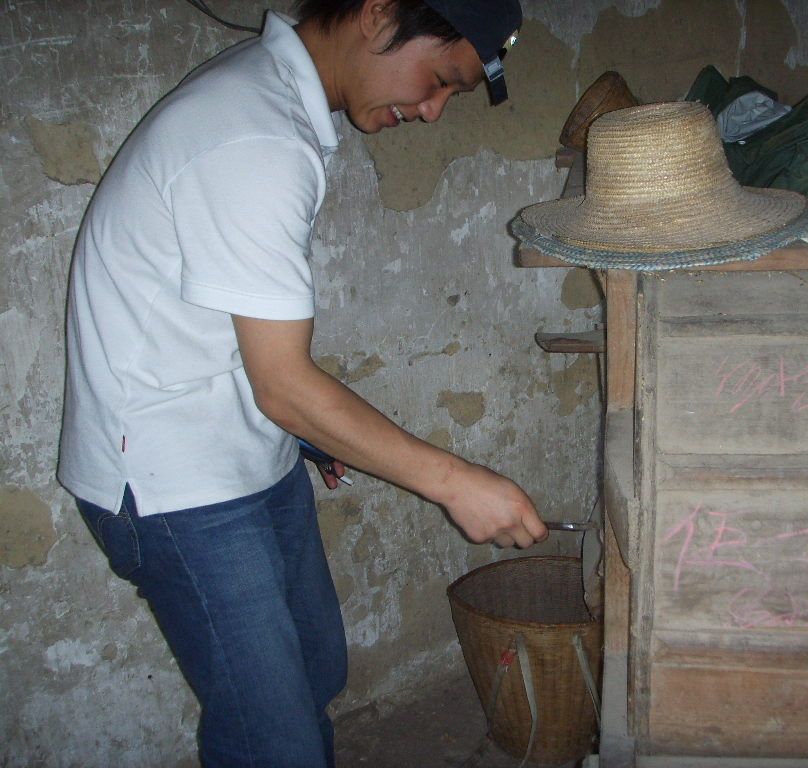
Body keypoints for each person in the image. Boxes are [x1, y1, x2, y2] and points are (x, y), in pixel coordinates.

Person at [57, 1, 547, 765]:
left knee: (316, 668)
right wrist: (456, 483)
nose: (431, 110)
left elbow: (238, 333)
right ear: (378, 12)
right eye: (439, 80)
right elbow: (283, 385)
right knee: (273, 737)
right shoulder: (255, 134)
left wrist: (310, 434)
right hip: (170, 478)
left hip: (245, 443)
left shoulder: (270, 101)